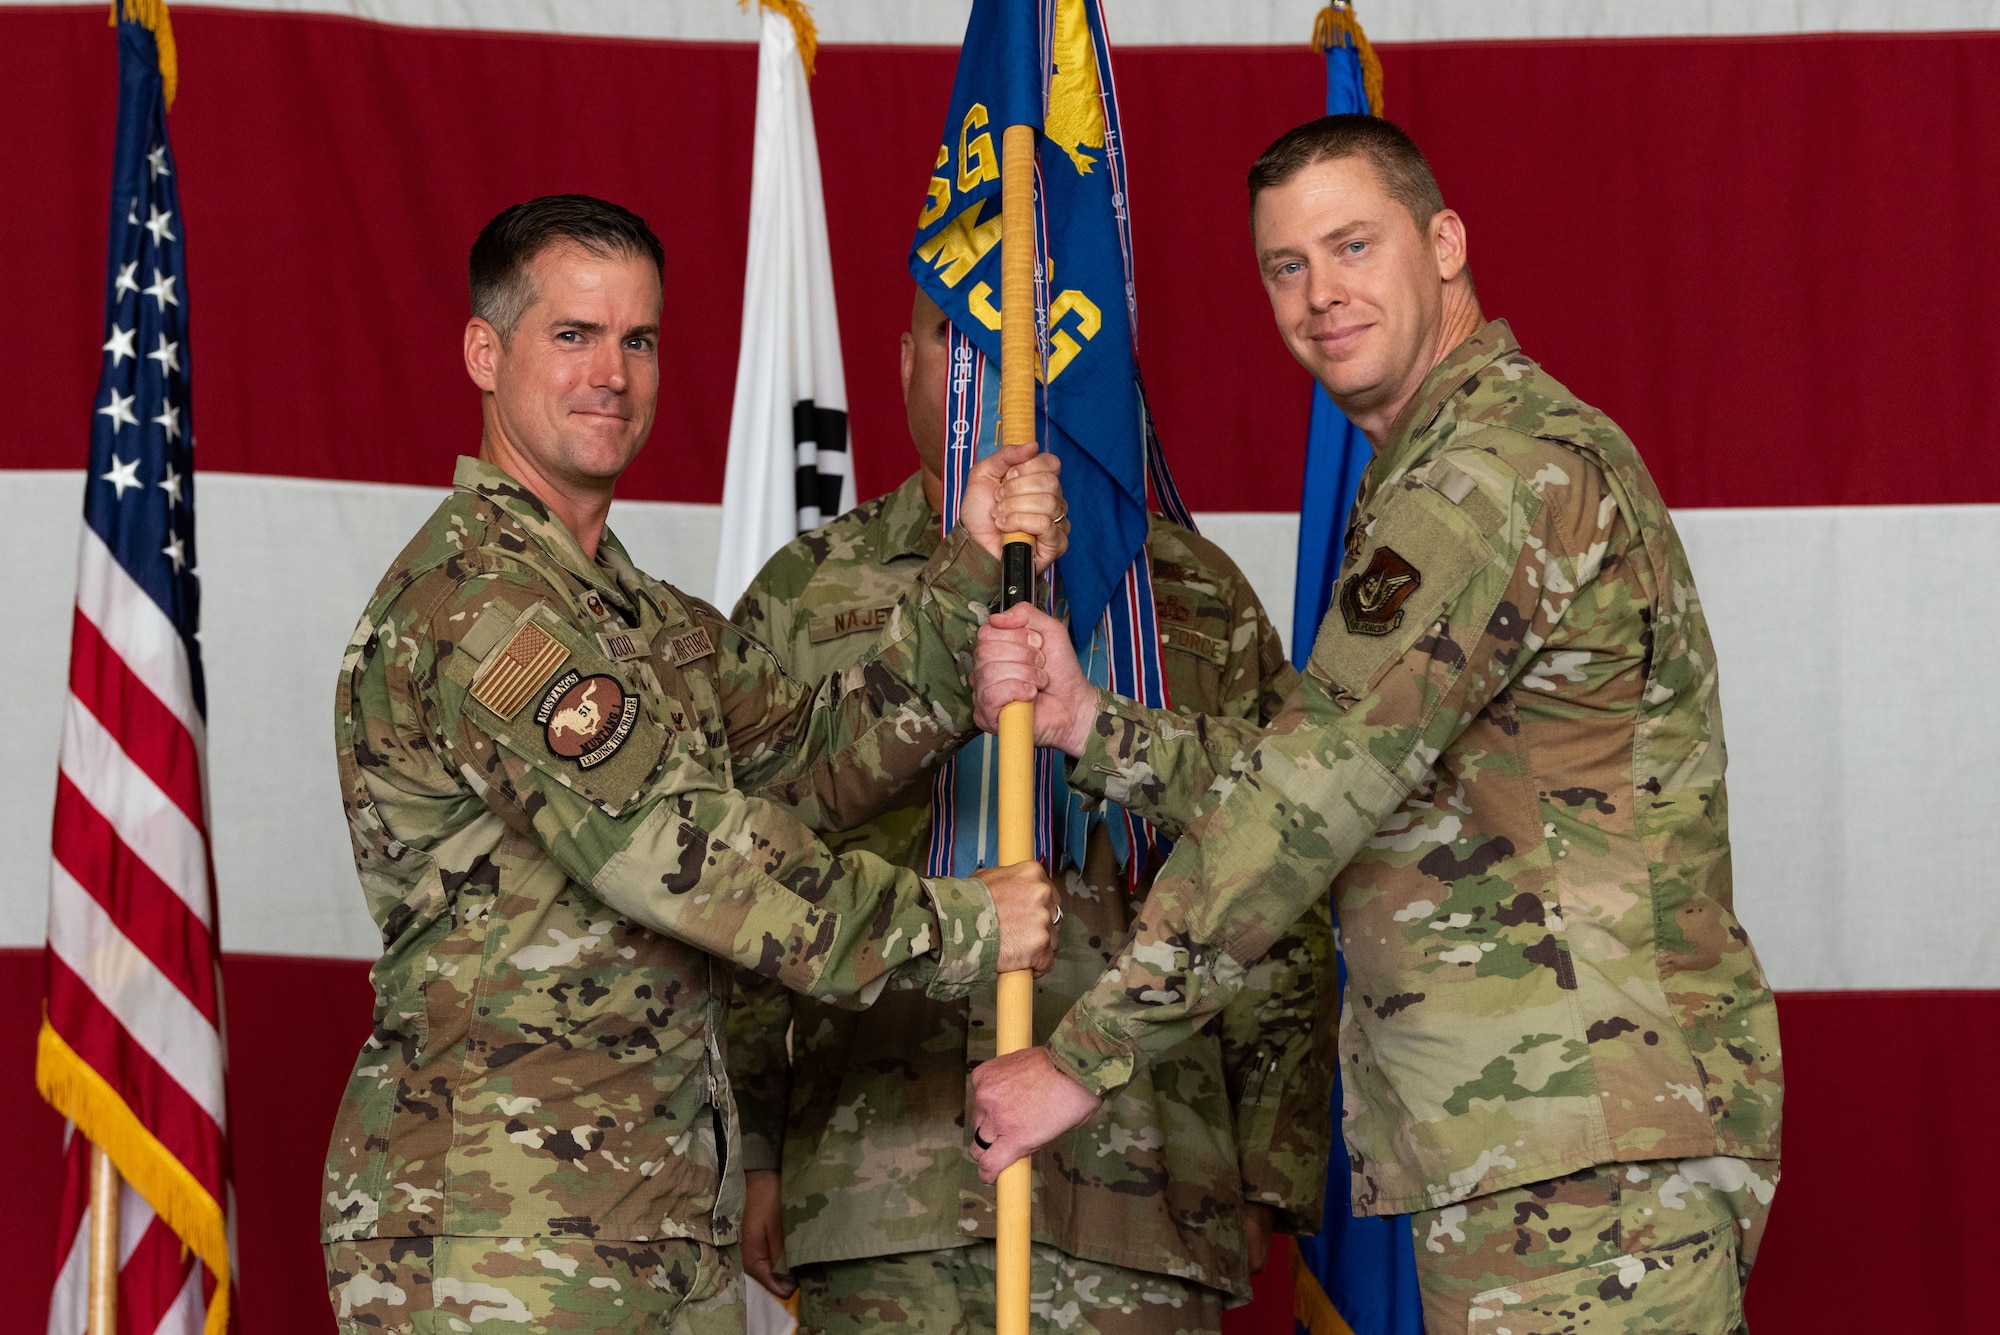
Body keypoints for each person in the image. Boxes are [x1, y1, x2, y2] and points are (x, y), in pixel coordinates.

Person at [966, 117, 1784, 1335]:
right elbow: (1358, 774)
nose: (1319, 294)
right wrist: (1092, 723)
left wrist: (1077, 1062)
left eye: (1351, 245)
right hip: (1556, 1139)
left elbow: (1303, 803)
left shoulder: (1482, 478)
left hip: (1581, 1150)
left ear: (1442, 244)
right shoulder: (1449, 463)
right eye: (1284, 265)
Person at [321, 194, 1068, 1335]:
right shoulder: (480, 607)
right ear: (485, 351)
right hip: (495, 1232)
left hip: (653, 1223)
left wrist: (967, 575)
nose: (610, 373)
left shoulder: (647, 622)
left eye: (638, 339)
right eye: (571, 335)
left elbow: (808, 762)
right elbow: (686, 854)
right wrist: (960, 928)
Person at [723, 287, 1336, 1335]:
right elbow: (748, 869)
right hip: (880, 1186)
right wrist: (757, 1151)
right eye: (951, 338)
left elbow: (1278, 875)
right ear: (899, 360)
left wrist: (1265, 1167)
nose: (989, 374)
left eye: (1020, 344)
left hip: (1145, 1185)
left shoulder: (1189, 594)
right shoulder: (805, 591)